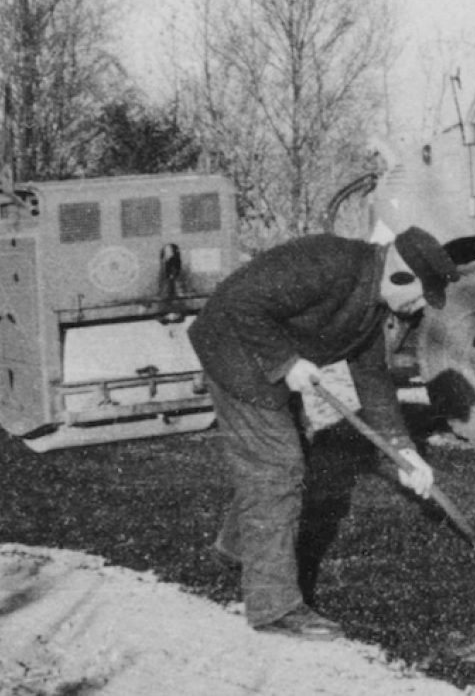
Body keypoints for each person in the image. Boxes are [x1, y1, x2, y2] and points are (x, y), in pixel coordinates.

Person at [187, 226, 460, 639]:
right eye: (422, 295)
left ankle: (238, 548)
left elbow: (374, 382)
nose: (420, 308)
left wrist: (405, 452)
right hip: (235, 353)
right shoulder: (328, 263)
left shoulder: (375, 306)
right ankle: (274, 608)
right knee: (277, 467)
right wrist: (286, 362)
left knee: (284, 455)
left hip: (266, 359)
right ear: (401, 274)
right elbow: (237, 302)